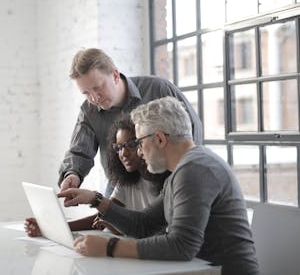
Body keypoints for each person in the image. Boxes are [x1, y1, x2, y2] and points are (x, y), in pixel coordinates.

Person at [58, 97, 259, 275]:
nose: (138, 152)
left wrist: (109, 246)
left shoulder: (194, 169)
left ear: (160, 139)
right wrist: (95, 199)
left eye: (139, 143)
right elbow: (144, 224)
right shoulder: (184, 170)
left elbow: (181, 246)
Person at [58, 48, 202, 196]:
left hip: (165, 183)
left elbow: (190, 130)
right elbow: (79, 151)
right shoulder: (89, 110)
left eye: (97, 88)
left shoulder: (158, 89)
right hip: (121, 185)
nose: (94, 98)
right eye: (86, 93)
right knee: (103, 217)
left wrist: (184, 175)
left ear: (115, 76)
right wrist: (72, 174)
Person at [25, 116, 170, 237]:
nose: (123, 154)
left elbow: (147, 227)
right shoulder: (127, 180)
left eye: (131, 144)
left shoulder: (171, 183)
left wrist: (101, 207)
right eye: (118, 148)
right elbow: (104, 215)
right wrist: (52, 228)